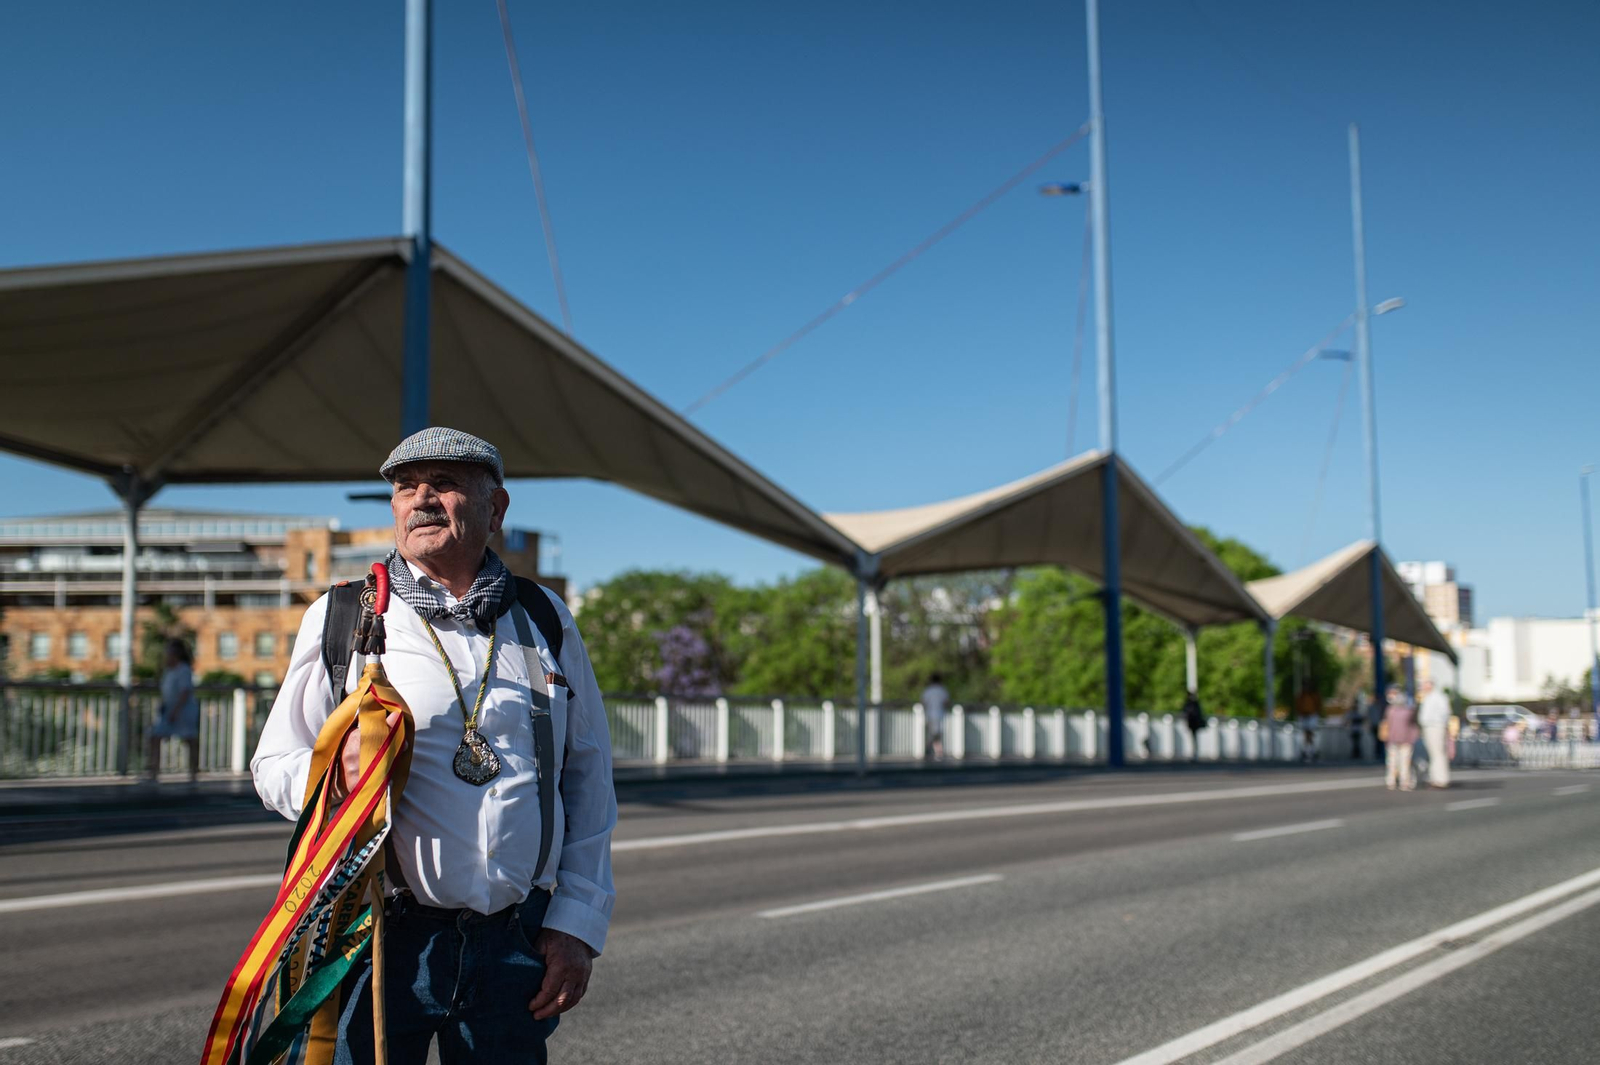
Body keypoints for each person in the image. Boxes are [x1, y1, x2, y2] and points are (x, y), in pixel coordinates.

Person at [252, 428, 616, 1064]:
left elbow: (587, 777)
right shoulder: (344, 617)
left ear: (495, 508)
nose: (421, 500)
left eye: (444, 484)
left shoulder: (544, 616)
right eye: (404, 487)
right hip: (376, 942)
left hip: (515, 942)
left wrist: (575, 927)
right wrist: (333, 776)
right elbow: (272, 767)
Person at [146, 637, 201, 782]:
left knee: (189, 739)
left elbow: (185, 692)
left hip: (182, 710)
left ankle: (193, 772)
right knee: (155, 737)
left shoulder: (184, 670)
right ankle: (154, 772)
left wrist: (176, 711)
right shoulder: (169, 671)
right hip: (168, 709)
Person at [1382, 686, 1418, 791]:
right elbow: (1414, 725)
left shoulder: (1390, 711)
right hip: (1406, 740)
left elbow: (1387, 725)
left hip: (1393, 739)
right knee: (1404, 762)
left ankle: (1391, 781)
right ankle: (1404, 782)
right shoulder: (1409, 711)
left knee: (1392, 762)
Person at [1417, 680, 1452, 788]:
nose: (1423, 687)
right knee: (1433, 754)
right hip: (1428, 727)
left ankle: (1441, 779)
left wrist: (1439, 723)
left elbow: (1445, 712)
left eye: (1425, 685)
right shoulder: (1428, 697)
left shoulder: (1439, 697)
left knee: (1438, 753)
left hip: (1435, 726)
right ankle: (1434, 777)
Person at [921, 673, 951, 760]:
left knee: (934, 734)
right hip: (940, 716)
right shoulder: (942, 691)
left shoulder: (928, 691)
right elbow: (947, 702)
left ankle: (932, 750)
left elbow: (923, 702)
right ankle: (936, 752)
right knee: (935, 734)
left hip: (930, 715)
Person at [1182, 691, 1205, 762]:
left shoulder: (1191, 704)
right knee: (1193, 739)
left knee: (1194, 739)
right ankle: (1194, 754)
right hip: (1192, 724)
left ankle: (1195, 754)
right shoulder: (1193, 703)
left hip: (1193, 724)